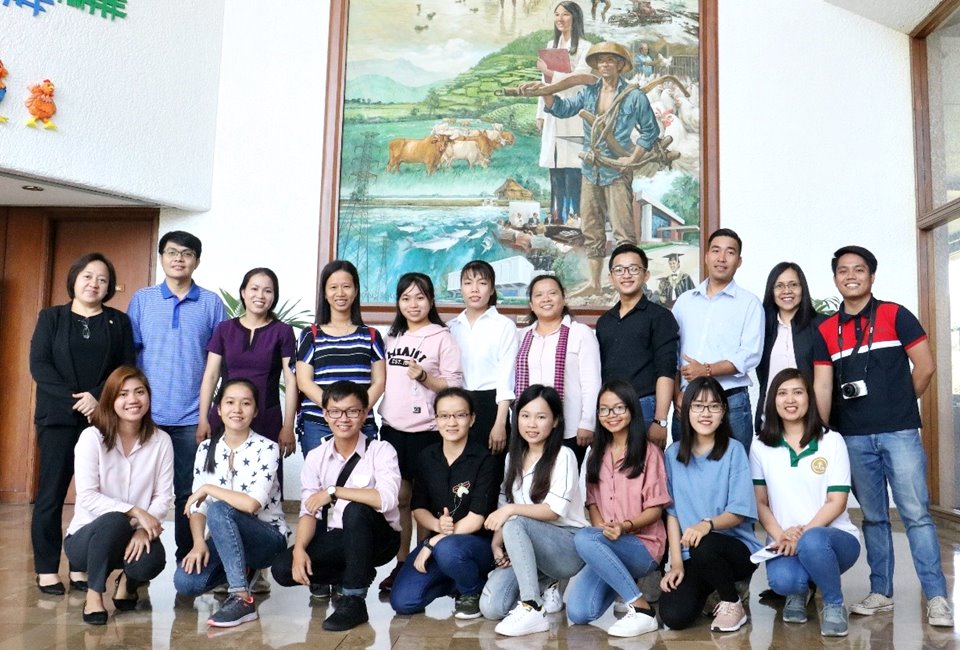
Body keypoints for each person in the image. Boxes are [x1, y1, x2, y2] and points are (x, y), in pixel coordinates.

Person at [813, 245, 953, 627]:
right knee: (873, 518)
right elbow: (823, 386)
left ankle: (938, 597)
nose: (851, 276)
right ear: (836, 278)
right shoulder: (827, 329)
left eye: (859, 269)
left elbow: (925, 366)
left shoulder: (895, 315)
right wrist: (824, 433)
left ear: (871, 276)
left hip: (899, 432)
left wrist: (899, 405)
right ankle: (881, 592)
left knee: (917, 516)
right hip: (853, 437)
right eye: (843, 271)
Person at [30, 252, 136, 595]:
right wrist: (79, 400)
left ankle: (81, 566)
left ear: (109, 287)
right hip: (58, 420)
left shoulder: (118, 322)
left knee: (97, 496)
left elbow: (125, 368)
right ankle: (46, 569)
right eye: (88, 276)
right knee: (51, 495)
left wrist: (96, 396)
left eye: (102, 279)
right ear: (75, 278)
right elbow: (40, 366)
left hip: (102, 420)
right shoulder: (51, 318)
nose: (94, 284)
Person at [271, 381, 401, 632]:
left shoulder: (381, 450)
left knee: (356, 509)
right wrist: (299, 549)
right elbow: (309, 511)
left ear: (364, 414)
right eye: (335, 411)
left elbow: (386, 500)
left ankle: (354, 599)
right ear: (325, 414)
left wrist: (334, 492)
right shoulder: (316, 456)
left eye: (352, 411)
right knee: (284, 569)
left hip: (380, 539)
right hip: (342, 537)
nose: (344, 418)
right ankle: (355, 572)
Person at [128, 231, 226, 562]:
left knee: (188, 491)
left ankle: (188, 559)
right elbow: (132, 356)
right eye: (171, 252)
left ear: (197, 260)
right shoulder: (142, 300)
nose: (178, 259)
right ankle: (135, 564)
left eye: (186, 253)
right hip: (147, 417)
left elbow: (219, 364)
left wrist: (206, 416)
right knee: (139, 490)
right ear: (161, 257)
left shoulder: (212, 303)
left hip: (190, 419)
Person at [197, 267, 296, 594]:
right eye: (254, 289)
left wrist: (288, 425)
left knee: (263, 489)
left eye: (267, 290)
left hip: (267, 416)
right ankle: (225, 559)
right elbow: (211, 376)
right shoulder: (224, 329)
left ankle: (261, 566)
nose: (260, 296)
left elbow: (291, 381)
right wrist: (202, 418)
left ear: (273, 296)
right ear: (243, 292)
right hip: (225, 414)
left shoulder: (282, 332)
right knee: (221, 479)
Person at [539, 41, 659, 296]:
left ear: (620, 65)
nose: (605, 65)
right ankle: (594, 284)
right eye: (601, 61)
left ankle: (628, 288)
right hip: (590, 170)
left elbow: (650, 131)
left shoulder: (634, 96)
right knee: (591, 230)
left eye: (610, 60)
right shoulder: (588, 93)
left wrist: (632, 158)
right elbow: (561, 108)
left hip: (617, 171)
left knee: (623, 232)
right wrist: (544, 91)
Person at [751, 368, 860, 637]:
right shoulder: (760, 446)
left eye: (798, 392)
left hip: (834, 540)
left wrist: (801, 535)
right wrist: (781, 535)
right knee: (785, 581)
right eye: (782, 393)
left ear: (809, 399)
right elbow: (761, 503)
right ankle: (800, 590)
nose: (790, 400)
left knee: (813, 542)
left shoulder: (831, 441)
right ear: (772, 401)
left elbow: (837, 501)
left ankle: (834, 604)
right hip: (783, 539)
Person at [174, 379, 288, 628]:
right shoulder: (205, 449)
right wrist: (198, 543)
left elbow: (251, 505)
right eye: (230, 402)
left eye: (246, 403)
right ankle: (241, 568)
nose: (237, 409)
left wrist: (208, 488)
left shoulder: (267, 448)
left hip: (267, 538)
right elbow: (197, 505)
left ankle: (241, 597)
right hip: (225, 536)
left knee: (219, 508)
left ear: (255, 411)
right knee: (186, 582)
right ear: (218, 409)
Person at [63, 366, 173, 625]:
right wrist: (135, 512)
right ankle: (94, 595)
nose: (133, 400)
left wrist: (143, 529)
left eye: (139, 392)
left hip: (133, 533)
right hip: (86, 540)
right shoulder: (92, 438)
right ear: (110, 400)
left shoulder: (162, 441)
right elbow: (88, 496)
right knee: (114, 520)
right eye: (123, 394)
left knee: (152, 561)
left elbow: (163, 497)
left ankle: (128, 582)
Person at [480, 384, 588, 637]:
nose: (532, 424)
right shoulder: (512, 457)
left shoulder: (564, 456)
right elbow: (505, 504)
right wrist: (497, 545)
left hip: (565, 547)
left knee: (516, 522)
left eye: (541, 417)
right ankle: (542, 583)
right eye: (525, 415)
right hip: (528, 545)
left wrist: (510, 514)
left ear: (555, 421)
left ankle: (532, 606)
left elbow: (553, 512)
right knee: (491, 607)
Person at [378, 272, 463, 591]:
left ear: (431, 301)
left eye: (420, 297)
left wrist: (427, 378)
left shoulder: (441, 336)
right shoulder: (392, 337)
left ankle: (422, 561)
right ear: (398, 303)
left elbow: (456, 384)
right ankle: (400, 564)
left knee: (422, 503)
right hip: (393, 430)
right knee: (400, 499)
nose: (413, 304)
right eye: (406, 298)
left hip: (428, 432)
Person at [567, 380, 671, 638]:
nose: (611, 415)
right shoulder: (596, 453)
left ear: (632, 410)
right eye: (604, 410)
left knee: (583, 538)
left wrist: (624, 527)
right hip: (606, 542)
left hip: (643, 545)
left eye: (618, 408)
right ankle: (619, 578)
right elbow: (592, 501)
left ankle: (641, 608)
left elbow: (656, 509)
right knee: (579, 613)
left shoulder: (649, 452)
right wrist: (603, 529)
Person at [659, 377, 761, 633]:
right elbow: (671, 514)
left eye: (714, 406)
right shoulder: (672, 454)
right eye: (698, 406)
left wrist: (707, 525)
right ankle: (712, 590)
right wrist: (677, 564)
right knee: (674, 616)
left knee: (704, 544)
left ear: (724, 412)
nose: (706, 413)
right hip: (692, 554)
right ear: (685, 410)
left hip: (735, 550)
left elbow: (739, 512)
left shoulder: (734, 450)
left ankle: (731, 601)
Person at [390, 388, 500, 619]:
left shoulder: (485, 460)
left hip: (475, 545)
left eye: (459, 415)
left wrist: (435, 541)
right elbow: (418, 507)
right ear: (435, 419)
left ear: (472, 419)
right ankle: (456, 581)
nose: (452, 422)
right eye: (444, 416)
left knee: (448, 549)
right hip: (442, 541)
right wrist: (438, 526)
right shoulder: (426, 457)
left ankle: (473, 590)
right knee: (403, 602)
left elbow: (477, 517)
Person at [672, 228, 763, 452]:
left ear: (739, 261)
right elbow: (671, 353)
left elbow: (750, 355)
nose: (721, 258)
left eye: (730, 252)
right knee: (684, 470)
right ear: (706, 256)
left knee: (735, 470)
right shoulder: (684, 302)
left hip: (731, 402)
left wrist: (706, 370)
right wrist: (676, 395)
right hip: (687, 401)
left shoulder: (749, 303)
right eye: (716, 251)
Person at [296, 260, 385, 457]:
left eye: (346, 286)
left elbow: (379, 382)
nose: (340, 293)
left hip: (362, 424)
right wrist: (335, 412)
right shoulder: (311, 335)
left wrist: (355, 413)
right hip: (318, 423)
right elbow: (304, 381)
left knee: (362, 483)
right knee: (321, 485)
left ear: (355, 291)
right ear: (325, 293)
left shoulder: (370, 335)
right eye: (333, 287)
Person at [596, 244, 678, 448]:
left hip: (645, 407)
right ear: (611, 277)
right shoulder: (604, 321)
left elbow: (666, 370)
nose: (626, 275)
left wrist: (661, 419)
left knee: (646, 475)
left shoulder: (660, 317)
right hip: (610, 411)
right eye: (619, 270)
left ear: (646, 275)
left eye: (634, 269)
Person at [515, 274, 601, 468]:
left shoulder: (580, 333)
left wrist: (587, 423)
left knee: (562, 485)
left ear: (563, 299)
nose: (546, 299)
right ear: (531, 304)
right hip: (530, 429)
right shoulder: (522, 336)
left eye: (552, 293)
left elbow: (591, 381)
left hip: (569, 428)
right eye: (539, 295)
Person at [447, 260, 516, 456]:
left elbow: (506, 378)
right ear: (460, 288)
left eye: (482, 283)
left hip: (491, 406)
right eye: (468, 283)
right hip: (457, 406)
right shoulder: (451, 327)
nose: (474, 289)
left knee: (489, 475)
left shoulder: (504, 325)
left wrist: (500, 423)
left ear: (492, 289)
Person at [755, 262, 831, 433]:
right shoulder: (761, 328)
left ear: (802, 288)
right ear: (771, 291)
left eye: (793, 285)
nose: (787, 291)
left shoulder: (822, 325)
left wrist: (821, 424)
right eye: (779, 286)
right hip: (771, 423)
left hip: (812, 422)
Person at [535, 2, 592, 224]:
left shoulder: (586, 47)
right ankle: (555, 215)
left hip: (573, 111)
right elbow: (544, 84)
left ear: (575, 18)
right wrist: (540, 114)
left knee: (572, 166)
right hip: (552, 112)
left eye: (565, 15)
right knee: (554, 166)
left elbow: (579, 80)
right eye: (557, 14)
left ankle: (575, 217)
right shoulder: (551, 45)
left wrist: (549, 71)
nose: (560, 19)